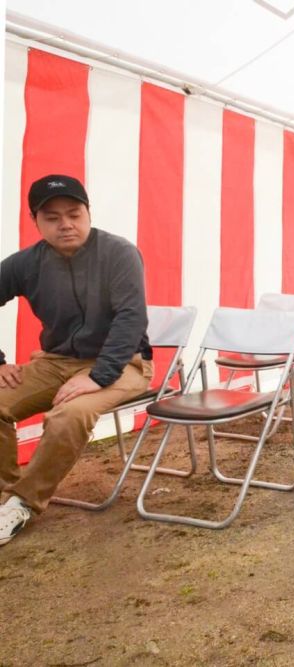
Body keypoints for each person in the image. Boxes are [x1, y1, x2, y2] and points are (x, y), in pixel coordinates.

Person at [0, 174, 153, 546]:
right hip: (56, 360)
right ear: (35, 221)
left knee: (70, 414)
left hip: (124, 363)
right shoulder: (24, 264)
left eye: (74, 213)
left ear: (88, 213)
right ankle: (6, 494)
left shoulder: (119, 252)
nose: (65, 224)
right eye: (52, 217)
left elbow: (131, 318)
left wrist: (98, 376)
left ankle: (23, 502)